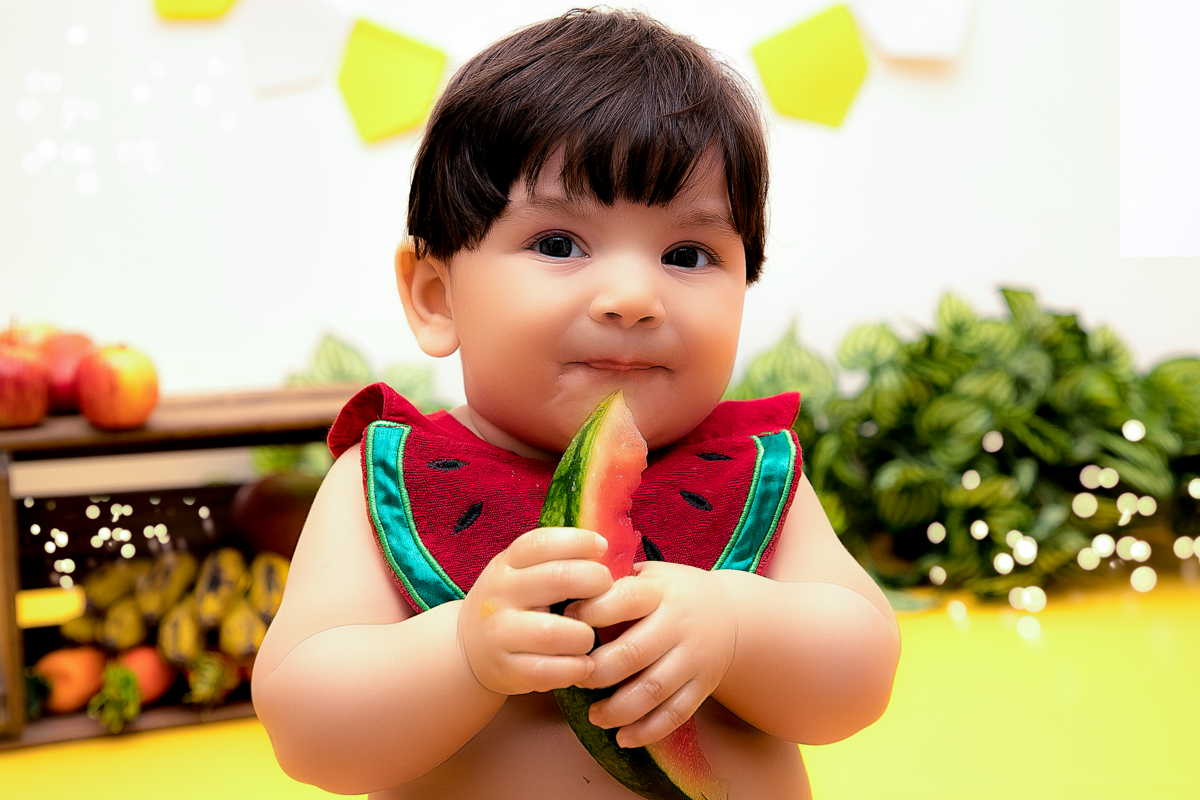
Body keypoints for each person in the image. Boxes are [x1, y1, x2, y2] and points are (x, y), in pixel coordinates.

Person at [252, 9, 900, 799]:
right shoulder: (381, 480)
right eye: (559, 244)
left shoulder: (753, 473)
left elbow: (862, 677)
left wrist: (738, 624)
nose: (632, 296)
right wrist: (461, 653)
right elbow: (307, 732)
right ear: (435, 296)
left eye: (687, 254)